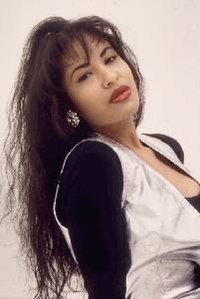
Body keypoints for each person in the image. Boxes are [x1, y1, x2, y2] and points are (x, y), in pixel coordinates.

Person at [4, 15, 200, 299]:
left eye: (109, 59)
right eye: (84, 75)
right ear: (68, 104)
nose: (110, 77)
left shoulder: (165, 148)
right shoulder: (93, 164)